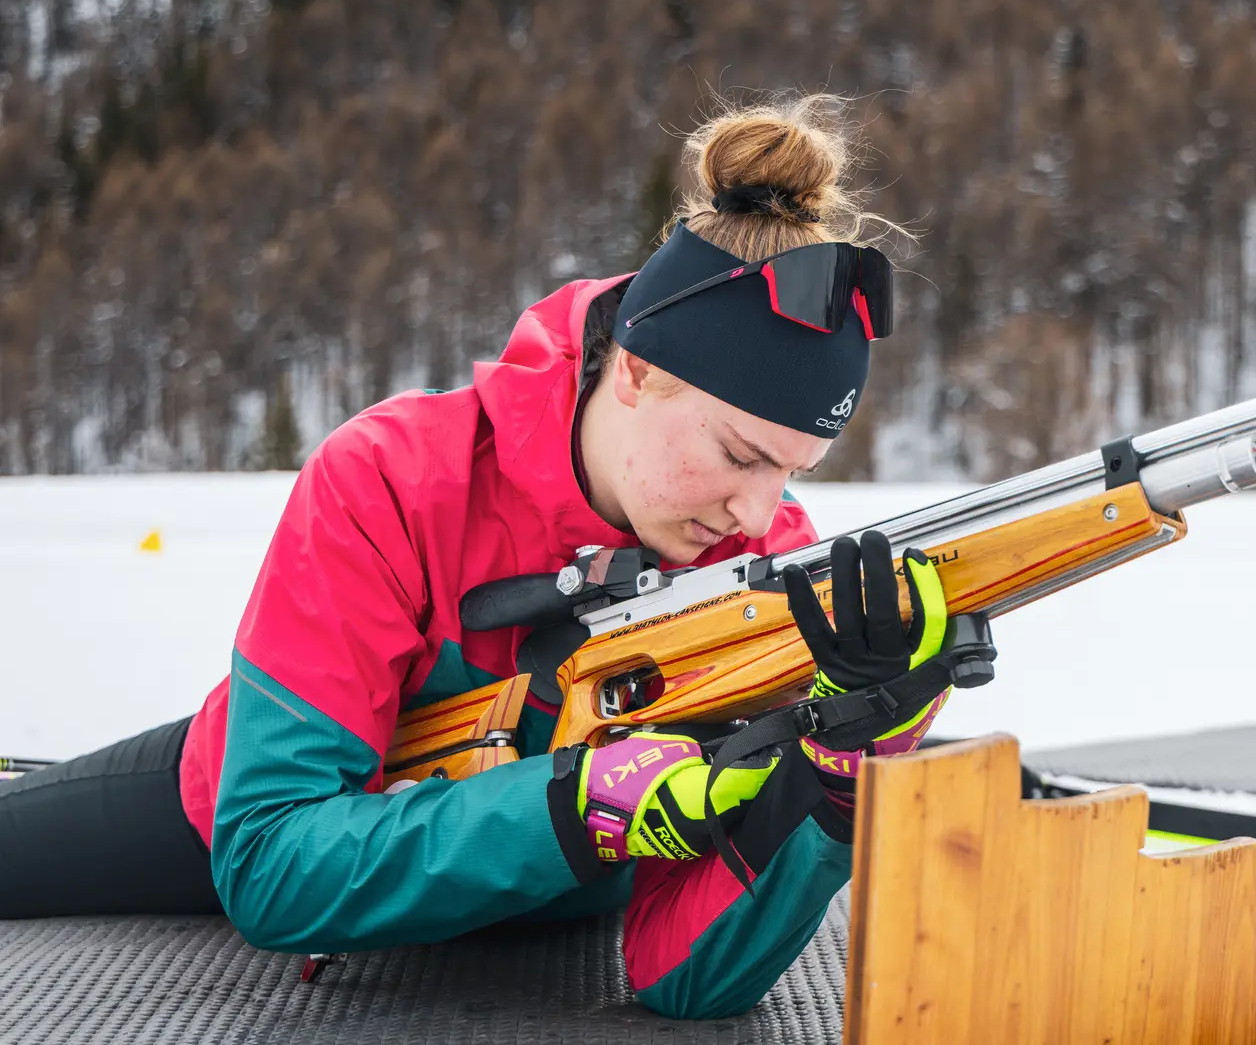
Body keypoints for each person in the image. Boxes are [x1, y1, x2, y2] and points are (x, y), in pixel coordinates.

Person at [0, 93, 965, 1019]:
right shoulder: (388, 478)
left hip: (560, 904)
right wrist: (576, 809)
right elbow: (270, 859)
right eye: (740, 455)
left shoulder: (767, 565)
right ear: (635, 371)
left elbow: (688, 981)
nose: (762, 513)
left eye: (793, 472)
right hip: (236, 818)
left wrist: (844, 763)